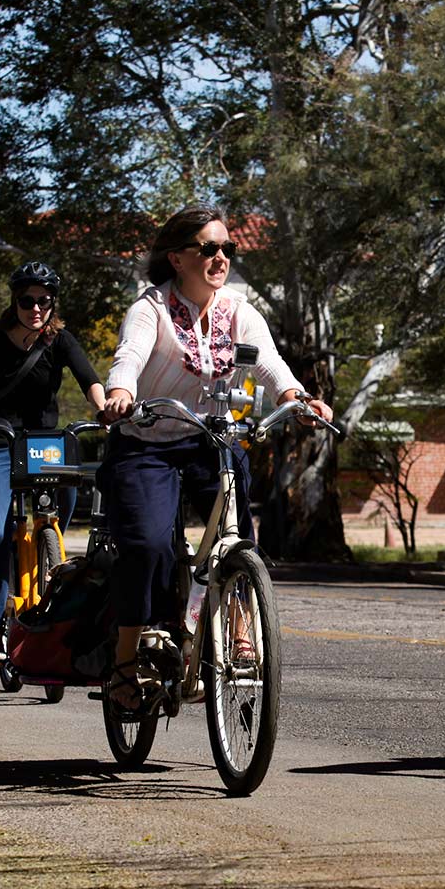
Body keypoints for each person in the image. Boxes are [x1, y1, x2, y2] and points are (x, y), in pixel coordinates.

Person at [98, 205, 333, 706]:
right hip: (147, 445)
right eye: (209, 248)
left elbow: (270, 364)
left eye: (227, 248)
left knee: (237, 539)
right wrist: (120, 393)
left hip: (210, 443)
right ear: (177, 257)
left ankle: (240, 627)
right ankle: (125, 659)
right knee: (147, 547)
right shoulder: (152, 309)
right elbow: (130, 357)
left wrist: (297, 398)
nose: (221, 257)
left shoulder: (239, 311)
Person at [0, 260, 107, 667]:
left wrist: (107, 410)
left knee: (58, 517)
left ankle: (49, 566)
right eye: (27, 301)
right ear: (14, 301)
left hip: (45, 445)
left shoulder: (60, 339)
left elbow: (88, 378)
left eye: (43, 300)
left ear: (52, 302)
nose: (35, 308)